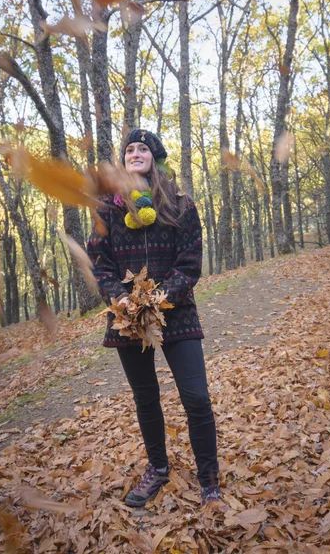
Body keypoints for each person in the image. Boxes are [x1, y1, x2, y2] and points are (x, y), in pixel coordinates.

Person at [87, 128, 220, 507]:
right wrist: (121, 300)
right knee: (146, 397)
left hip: (176, 313)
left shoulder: (180, 204)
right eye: (129, 149)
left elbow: (190, 261)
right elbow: (101, 262)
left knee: (196, 397)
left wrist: (162, 298)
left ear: (155, 157)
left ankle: (209, 479)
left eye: (142, 148)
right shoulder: (107, 209)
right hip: (127, 317)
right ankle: (158, 470)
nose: (134, 153)